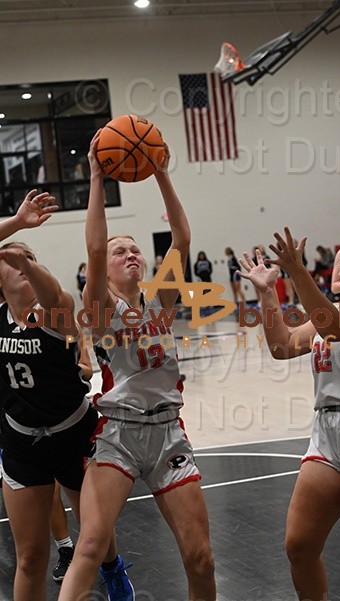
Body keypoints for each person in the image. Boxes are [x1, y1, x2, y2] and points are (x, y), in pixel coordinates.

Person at [58, 131, 216, 601]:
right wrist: (95, 180)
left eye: (134, 250)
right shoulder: (100, 306)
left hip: (169, 433)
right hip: (118, 434)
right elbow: (93, 248)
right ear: (102, 270)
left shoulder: (161, 300)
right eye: (120, 252)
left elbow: (183, 237)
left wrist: (163, 174)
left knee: (201, 557)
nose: (131, 255)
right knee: (89, 544)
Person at [239, 226, 340, 601]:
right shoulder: (334, 309)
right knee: (299, 545)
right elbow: (281, 346)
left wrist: (297, 270)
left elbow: (334, 327)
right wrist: (266, 292)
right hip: (327, 430)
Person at [0, 190, 132, 601]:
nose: (23, 264)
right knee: (31, 557)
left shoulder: (56, 311)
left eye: (31, 260)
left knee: (95, 534)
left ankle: (113, 571)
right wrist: (18, 223)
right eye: (9, 261)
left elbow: (56, 293)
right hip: (22, 442)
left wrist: (25, 261)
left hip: (74, 434)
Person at [51, 340, 94, 583]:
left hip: (70, 422)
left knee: (84, 500)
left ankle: (109, 563)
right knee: (49, 491)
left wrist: (67, 369)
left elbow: (87, 369)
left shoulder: (63, 325)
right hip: (29, 426)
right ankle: (65, 549)